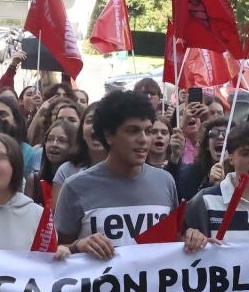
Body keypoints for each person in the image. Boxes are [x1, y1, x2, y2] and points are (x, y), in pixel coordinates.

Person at [53, 91, 180, 259]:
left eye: (148, 131)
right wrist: (77, 246)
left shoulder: (165, 181)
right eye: (132, 131)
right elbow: (55, 250)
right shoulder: (75, 187)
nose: (143, 139)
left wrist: (194, 237)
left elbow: (176, 240)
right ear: (109, 135)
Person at [178, 113, 230, 200]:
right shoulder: (191, 173)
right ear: (207, 145)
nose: (221, 137)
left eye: (226, 133)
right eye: (214, 133)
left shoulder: (240, 174)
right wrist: (209, 186)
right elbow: (189, 208)